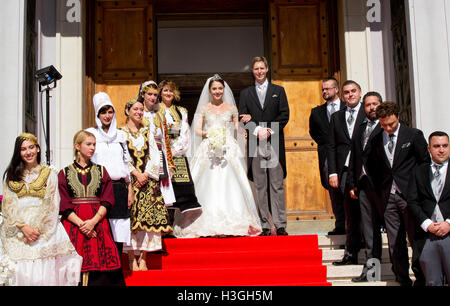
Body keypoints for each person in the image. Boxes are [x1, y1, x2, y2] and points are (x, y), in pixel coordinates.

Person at [173, 74, 262, 238]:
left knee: (232, 181)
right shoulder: (204, 108)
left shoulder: (231, 108)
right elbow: (198, 130)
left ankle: (235, 219)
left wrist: (243, 130)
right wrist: (211, 134)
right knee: (206, 180)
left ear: (224, 90)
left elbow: (237, 128)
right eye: (214, 88)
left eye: (220, 88)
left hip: (228, 147)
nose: (217, 91)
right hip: (209, 147)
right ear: (209, 90)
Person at [0, 133, 82, 286]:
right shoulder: (12, 176)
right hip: (17, 230)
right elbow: (8, 205)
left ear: (38, 149)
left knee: (43, 275)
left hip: (44, 231)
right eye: (23, 149)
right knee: (18, 272)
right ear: (18, 152)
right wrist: (23, 227)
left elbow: (52, 204)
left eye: (31, 147)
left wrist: (35, 231)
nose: (28, 152)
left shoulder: (50, 174)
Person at [366, 102, 430, 286]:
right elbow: (370, 164)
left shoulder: (413, 135)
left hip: (411, 197)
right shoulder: (377, 138)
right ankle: (402, 279)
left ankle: (421, 277)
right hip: (388, 198)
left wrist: (419, 190)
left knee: (416, 239)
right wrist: (379, 189)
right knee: (395, 242)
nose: (388, 128)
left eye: (391, 124)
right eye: (384, 125)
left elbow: (424, 163)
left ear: (397, 117)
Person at [58, 130, 122, 286]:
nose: (92, 148)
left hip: (98, 222)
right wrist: (82, 224)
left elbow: (107, 200)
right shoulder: (64, 173)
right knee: (73, 265)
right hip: (73, 225)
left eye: (94, 144)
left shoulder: (101, 171)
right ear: (77, 146)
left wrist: (92, 222)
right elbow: (63, 204)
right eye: (88, 144)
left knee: (102, 268)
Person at [85, 92, 133, 285]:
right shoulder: (91, 134)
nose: (107, 115)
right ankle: (99, 278)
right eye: (103, 111)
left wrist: (130, 190)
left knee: (118, 235)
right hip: (100, 189)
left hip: (120, 188)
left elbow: (126, 163)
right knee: (102, 233)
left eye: (110, 111)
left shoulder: (121, 136)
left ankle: (116, 277)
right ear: (97, 114)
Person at [238, 56, 290, 236]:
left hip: (274, 141)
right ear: (252, 71)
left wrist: (269, 130)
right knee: (260, 185)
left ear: (267, 69)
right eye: (256, 69)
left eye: (262, 68)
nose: (259, 71)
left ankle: (280, 224)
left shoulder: (279, 91)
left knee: (276, 184)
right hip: (255, 143)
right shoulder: (246, 93)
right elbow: (242, 117)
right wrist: (256, 130)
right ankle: (265, 225)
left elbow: (284, 115)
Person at [120, 98, 172, 270]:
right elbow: (121, 157)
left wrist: (146, 174)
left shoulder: (147, 131)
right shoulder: (121, 133)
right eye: (135, 109)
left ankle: (143, 256)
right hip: (130, 182)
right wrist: (135, 174)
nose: (139, 112)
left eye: (141, 109)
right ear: (127, 111)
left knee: (148, 220)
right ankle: (130, 257)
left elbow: (155, 154)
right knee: (130, 219)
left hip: (147, 181)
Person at [328, 80, 365, 266]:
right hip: (344, 171)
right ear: (342, 96)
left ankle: (369, 253)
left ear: (360, 93)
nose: (350, 95)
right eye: (346, 92)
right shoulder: (336, 117)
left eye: (353, 91)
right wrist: (332, 172)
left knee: (366, 213)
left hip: (364, 172)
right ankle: (350, 254)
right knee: (350, 214)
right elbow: (332, 146)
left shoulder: (368, 114)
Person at [348, 92, 384, 282]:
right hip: (364, 186)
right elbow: (355, 157)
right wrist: (353, 183)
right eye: (368, 105)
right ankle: (371, 273)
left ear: (381, 105)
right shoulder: (360, 128)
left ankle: (403, 272)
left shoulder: (387, 128)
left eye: (375, 104)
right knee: (369, 231)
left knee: (395, 231)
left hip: (384, 188)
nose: (371, 108)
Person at [408, 131, 450, 286]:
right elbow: (412, 201)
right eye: (437, 146)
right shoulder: (418, 171)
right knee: (432, 282)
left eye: (445, 146)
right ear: (428, 149)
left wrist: (448, 223)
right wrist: (427, 224)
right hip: (427, 237)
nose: (441, 150)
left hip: (449, 233)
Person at [157, 80, 202, 215]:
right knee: (161, 189)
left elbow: (185, 133)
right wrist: (164, 150)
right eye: (165, 90)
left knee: (180, 189)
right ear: (160, 92)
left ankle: (175, 221)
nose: (168, 93)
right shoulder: (153, 110)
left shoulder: (181, 111)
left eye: (171, 90)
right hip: (159, 153)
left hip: (177, 154)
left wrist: (174, 150)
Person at [309, 77, 346, 235]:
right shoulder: (316, 112)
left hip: (346, 156)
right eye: (323, 89)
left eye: (328, 89)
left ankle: (353, 226)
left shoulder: (347, 108)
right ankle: (340, 225)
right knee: (334, 192)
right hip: (327, 158)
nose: (324, 91)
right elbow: (314, 132)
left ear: (336, 89)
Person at [138, 81, 176, 210]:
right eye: (149, 94)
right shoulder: (138, 113)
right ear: (143, 95)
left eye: (155, 95)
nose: (153, 98)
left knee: (160, 198)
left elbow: (165, 140)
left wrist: (170, 164)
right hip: (143, 159)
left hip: (160, 157)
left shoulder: (160, 114)